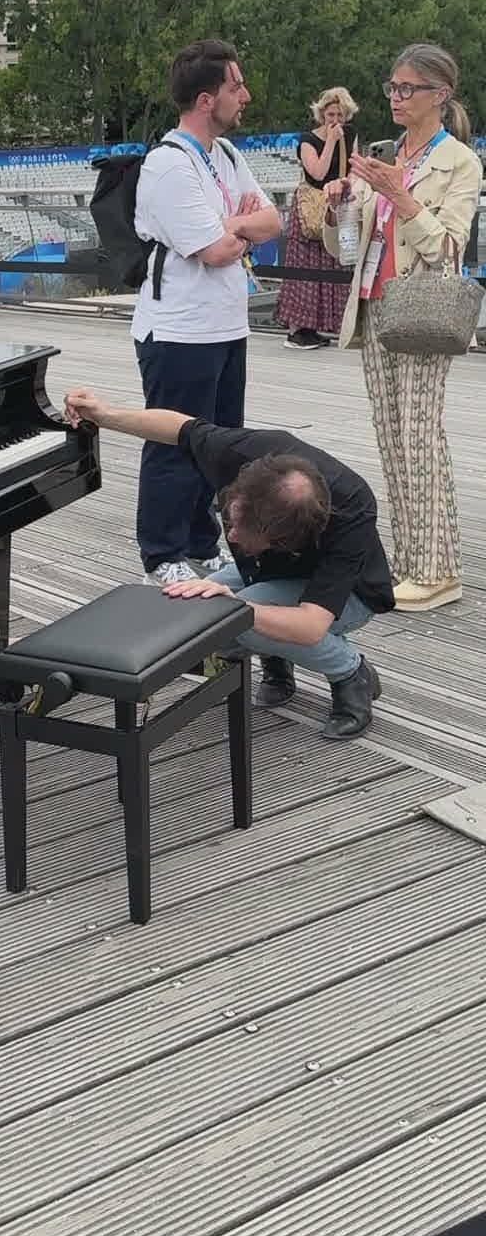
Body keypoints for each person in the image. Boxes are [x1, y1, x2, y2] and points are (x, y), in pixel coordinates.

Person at [63, 389, 394, 740]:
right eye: (230, 519)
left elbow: (311, 626)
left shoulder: (351, 512)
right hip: (266, 569)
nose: (231, 536)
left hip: (348, 593)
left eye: (245, 532)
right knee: (191, 607)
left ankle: (350, 673)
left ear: (283, 538)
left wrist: (235, 609)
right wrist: (105, 414)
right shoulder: (241, 453)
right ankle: (275, 656)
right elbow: (179, 426)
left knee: (234, 621)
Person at [326, 43, 483, 614]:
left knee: (420, 437)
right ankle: (413, 560)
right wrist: (340, 207)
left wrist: (398, 193)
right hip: (375, 305)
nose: (396, 97)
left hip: (421, 309)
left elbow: (447, 249)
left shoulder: (459, 162)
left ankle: (439, 570)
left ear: (440, 95)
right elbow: (348, 248)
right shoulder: (386, 153)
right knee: (392, 439)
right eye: (392, 87)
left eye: (407, 88)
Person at [132, 40, 282, 587]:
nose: (246, 96)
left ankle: (201, 540)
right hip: (179, 329)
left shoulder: (226, 155)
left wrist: (234, 224)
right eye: (235, 86)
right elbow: (216, 252)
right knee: (174, 440)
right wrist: (238, 227)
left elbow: (273, 221)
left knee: (219, 446)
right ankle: (162, 551)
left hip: (225, 325)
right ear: (205, 99)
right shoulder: (169, 165)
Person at [278, 88, 357, 349]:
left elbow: (353, 168)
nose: (335, 120)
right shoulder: (307, 140)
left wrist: (347, 185)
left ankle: (325, 325)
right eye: (330, 114)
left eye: (340, 115)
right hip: (311, 209)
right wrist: (331, 141)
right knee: (306, 266)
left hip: (337, 205)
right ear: (322, 114)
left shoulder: (351, 135)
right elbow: (318, 172)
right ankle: (298, 329)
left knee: (335, 264)